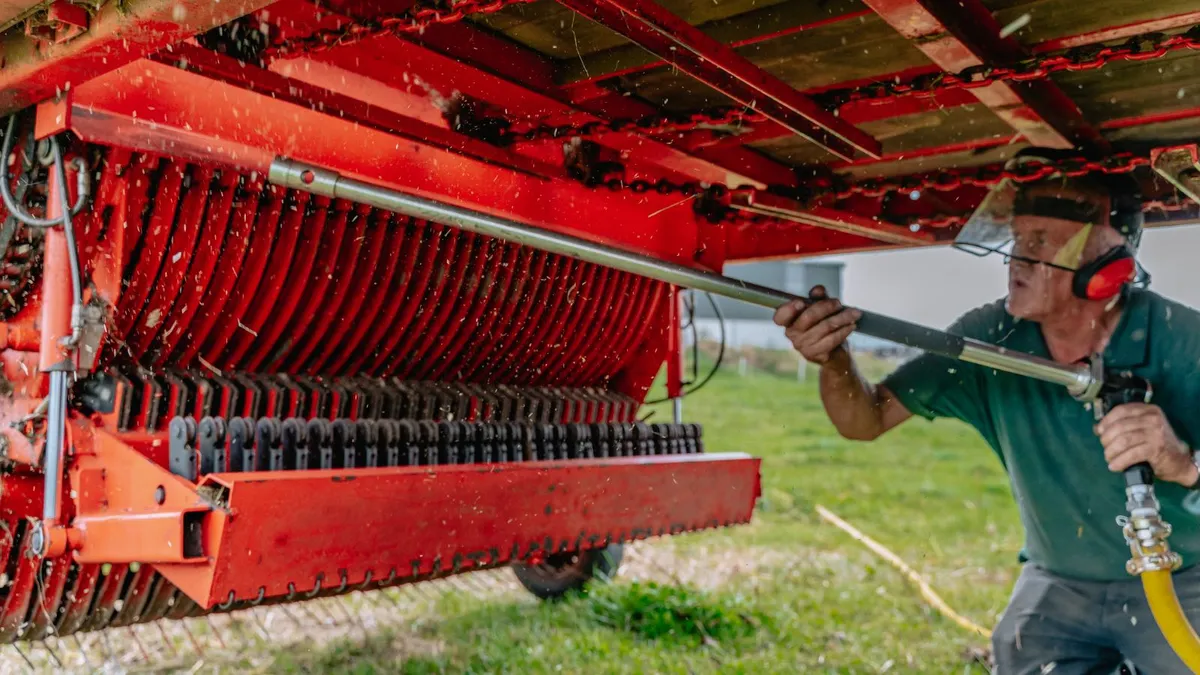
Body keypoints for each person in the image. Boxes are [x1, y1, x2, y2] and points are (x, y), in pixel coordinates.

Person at [772, 162, 1200, 674]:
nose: (1016, 260)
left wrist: (1182, 462)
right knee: (1017, 657)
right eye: (1017, 240)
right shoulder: (991, 337)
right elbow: (866, 419)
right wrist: (834, 357)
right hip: (1058, 580)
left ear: (1107, 270)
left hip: (1184, 576)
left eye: (1040, 243)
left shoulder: (1185, 340)